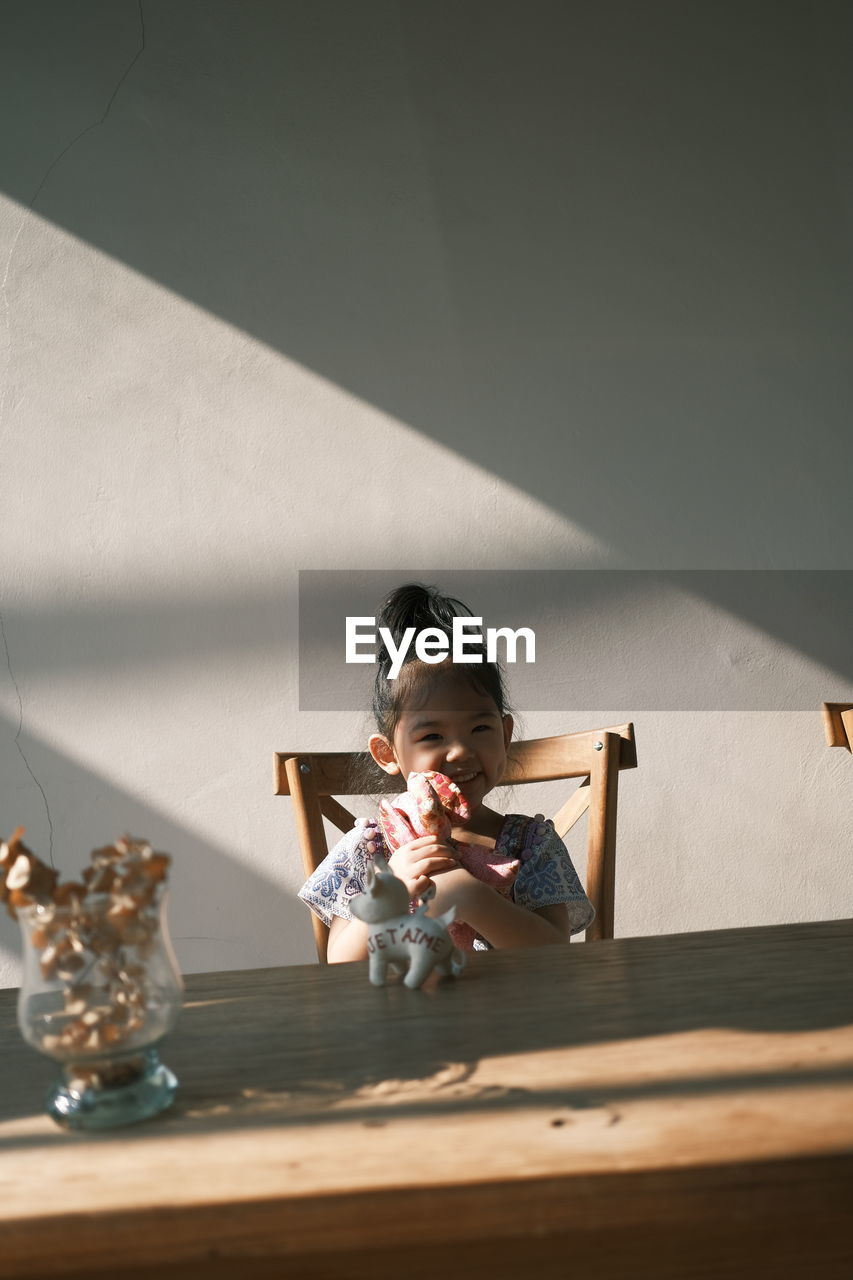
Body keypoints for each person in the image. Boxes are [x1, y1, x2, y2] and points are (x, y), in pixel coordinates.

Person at [298, 583, 594, 962]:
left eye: (480, 729)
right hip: (398, 1019)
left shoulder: (531, 845)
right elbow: (339, 963)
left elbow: (554, 956)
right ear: (387, 753)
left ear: (505, 735)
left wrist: (470, 895)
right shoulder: (369, 850)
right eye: (433, 735)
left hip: (511, 1019)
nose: (460, 750)